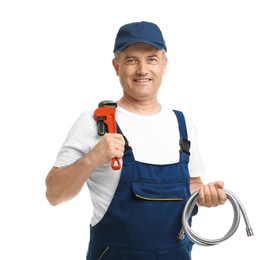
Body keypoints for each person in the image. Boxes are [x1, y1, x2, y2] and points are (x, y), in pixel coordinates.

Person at [45, 21, 227, 260]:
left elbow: (191, 185)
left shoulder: (183, 124)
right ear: (116, 65)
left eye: (151, 59)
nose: (142, 70)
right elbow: (53, 194)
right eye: (131, 60)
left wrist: (206, 195)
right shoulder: (95, 123)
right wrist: (92, 159)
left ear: (164, 64)